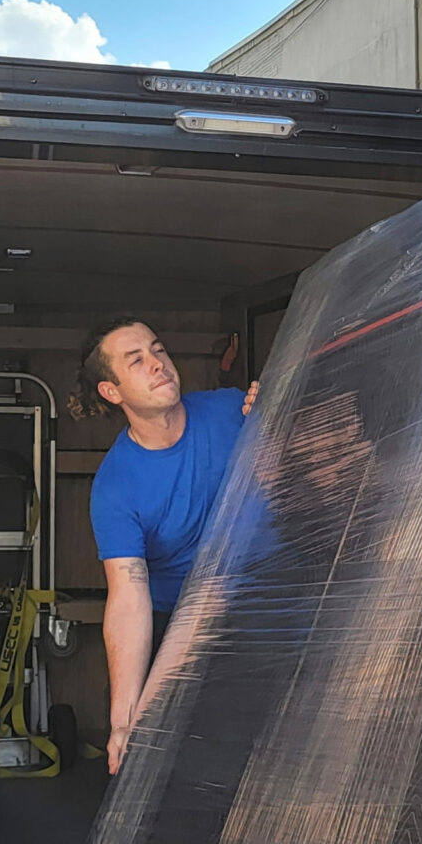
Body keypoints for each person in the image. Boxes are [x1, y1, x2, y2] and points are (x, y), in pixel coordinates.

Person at [72, 318, 259, 774]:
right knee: (159, 760)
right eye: (136, 361)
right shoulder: (116, 486)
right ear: (112, 391)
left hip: (260, 606)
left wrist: (283, 406)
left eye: (158, 350)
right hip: (176, 625)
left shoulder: (233, 409)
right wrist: (122, 721)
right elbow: (128, 597)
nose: (157, 364)